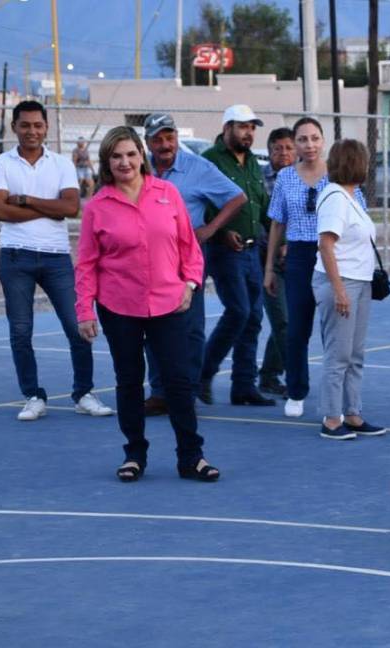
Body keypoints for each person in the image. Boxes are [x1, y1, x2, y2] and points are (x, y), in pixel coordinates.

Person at [75, 126, 218, 483]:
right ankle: (134, 454)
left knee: (179, 382)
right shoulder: (97, 207)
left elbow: (190, 247)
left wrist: (190, 284)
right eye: (116, 156)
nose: (125, 162)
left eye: (131, 154)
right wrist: (84, 310)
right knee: (129, 382)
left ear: (142, 156)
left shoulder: (167, 193)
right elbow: (87, 263)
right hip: (118, 306)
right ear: (107, 163)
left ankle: (191, 457)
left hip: (169, 304)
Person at [0, 100, 112, 422]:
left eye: (38, 125)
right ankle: (33, 396)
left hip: (56, 258)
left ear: (46, 128)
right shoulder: (0, 164)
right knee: (21, 330)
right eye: (25, 125)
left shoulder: (62, 164)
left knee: (77, 326)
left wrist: (26, 200)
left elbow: (71, 208)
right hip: (16, 257)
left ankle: (83, 393)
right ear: (14, 127)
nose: (32, 131)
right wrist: (49, 207)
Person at [141, 112, 247, 416]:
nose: (165, 144)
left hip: (186, 259)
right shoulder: (141, 169)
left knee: (189, 327)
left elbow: (236, 197)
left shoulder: (198, 167)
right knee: (151, 326)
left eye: (169, 137)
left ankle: (186, 391)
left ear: (177, 137)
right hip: (148, 260)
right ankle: (160, 392)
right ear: (147, 142)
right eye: (158, 139)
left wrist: (211, 229)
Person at [265, 118, 369, 418]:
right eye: (302, 139)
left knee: (335, 331)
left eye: (314, 138)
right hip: (298, 254)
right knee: (297, 326)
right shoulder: (285, 177)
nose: (308, 145)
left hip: (333, 255)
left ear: (323, 141)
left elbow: (357, 215)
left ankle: (338, 401)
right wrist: (269, 268)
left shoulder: (338, 176)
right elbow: (277, 222)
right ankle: (296, 390)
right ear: (294, 143)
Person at [199, 104, 275, 407]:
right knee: (239, 311)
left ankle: (243, 386)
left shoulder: (253, 163)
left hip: (254, 249)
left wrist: (280, 238)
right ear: (226, 127)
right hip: (224, 250)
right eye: (243, 126)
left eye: (253, 127)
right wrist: (220, 232)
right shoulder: (209, 161)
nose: (249, 132)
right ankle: (202, 374)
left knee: (254, 317)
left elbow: (262, 203)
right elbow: (200, 205)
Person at [312, 139, 386, 440]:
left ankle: (352, 413)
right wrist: (340, 290)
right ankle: (332, 418)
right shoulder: (335, 198)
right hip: (341, 282)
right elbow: (326, 244)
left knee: (355, 353)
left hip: (360, 281)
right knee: (338, 353)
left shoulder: (351, 197)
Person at [258, 126, 296, 397]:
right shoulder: (260, 180)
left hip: (299, 261)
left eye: (289, 147)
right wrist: (278, 248)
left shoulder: (303, 178)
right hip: (267, 261)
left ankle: (269, 375)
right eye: (278, 148)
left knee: (291, 321)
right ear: (270, 151)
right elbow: (263, 221)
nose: (284, 153)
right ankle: (295, 376)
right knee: (282, 321)